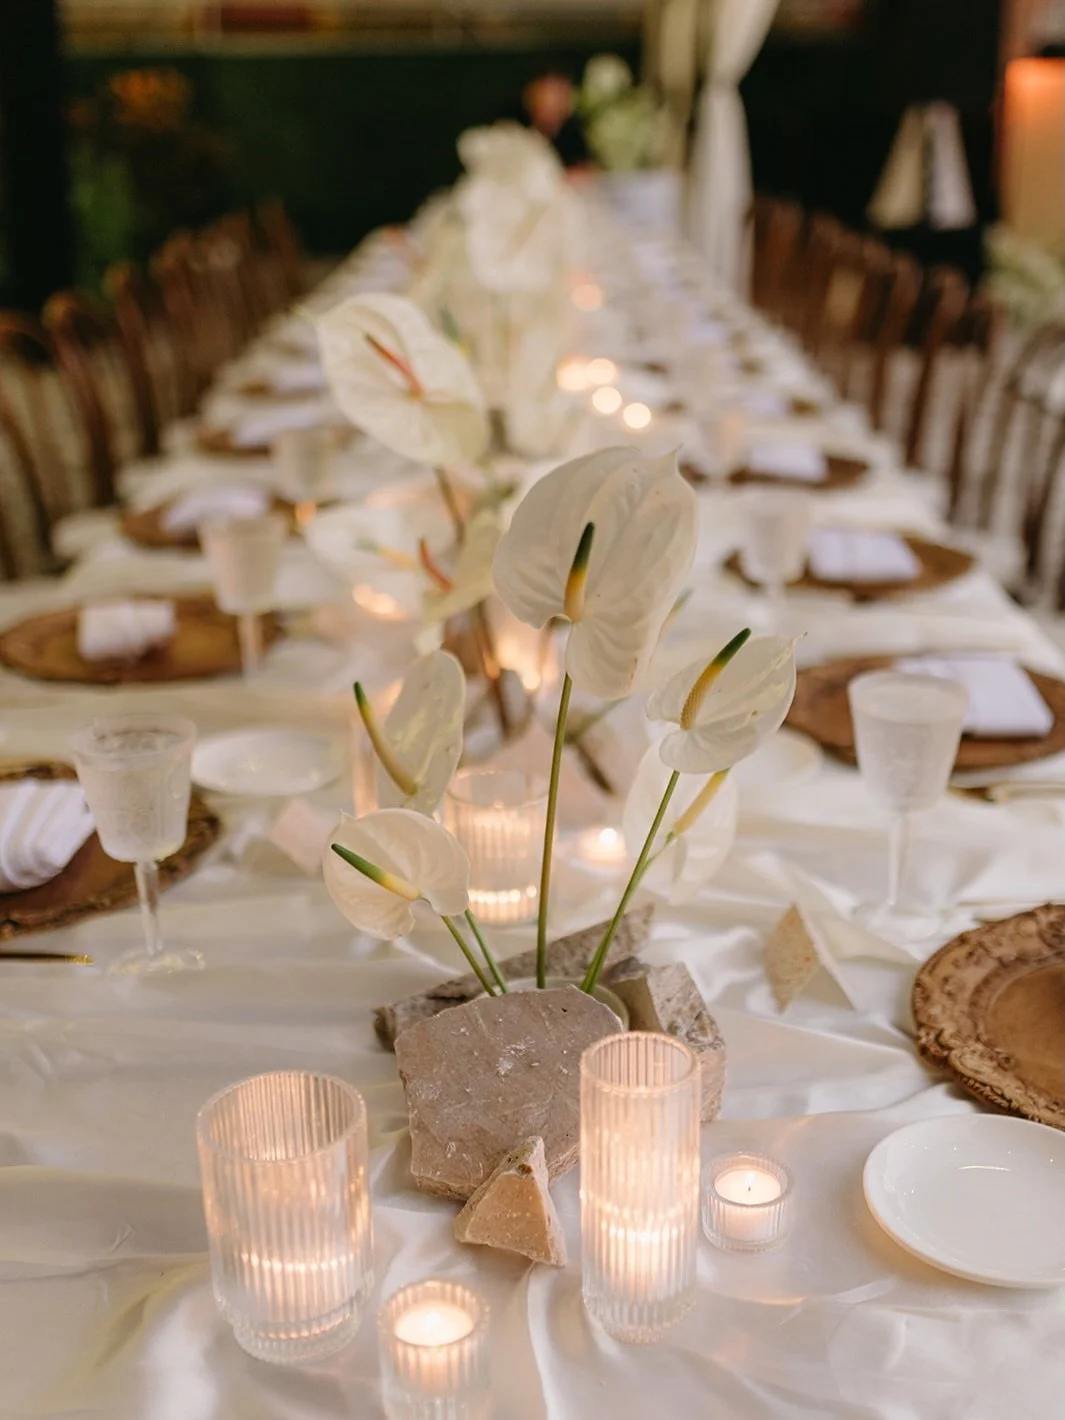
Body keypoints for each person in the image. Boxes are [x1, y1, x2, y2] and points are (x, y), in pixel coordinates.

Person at [521, 73, 588, 168]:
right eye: (549, 94)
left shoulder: (576, 140)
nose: (556, 103)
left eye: (561, 94)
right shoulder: (514, 139)